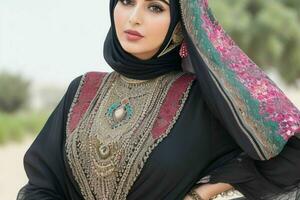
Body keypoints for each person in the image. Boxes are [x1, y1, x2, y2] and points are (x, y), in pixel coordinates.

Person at [17, 0, 300, 199]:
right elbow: (41, 185)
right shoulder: (81, 90)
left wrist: (202, 194)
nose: (134, 18)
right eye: (127, 1)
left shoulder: (202, 99)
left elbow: (291, 154)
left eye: (155, 7)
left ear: (181, 23)